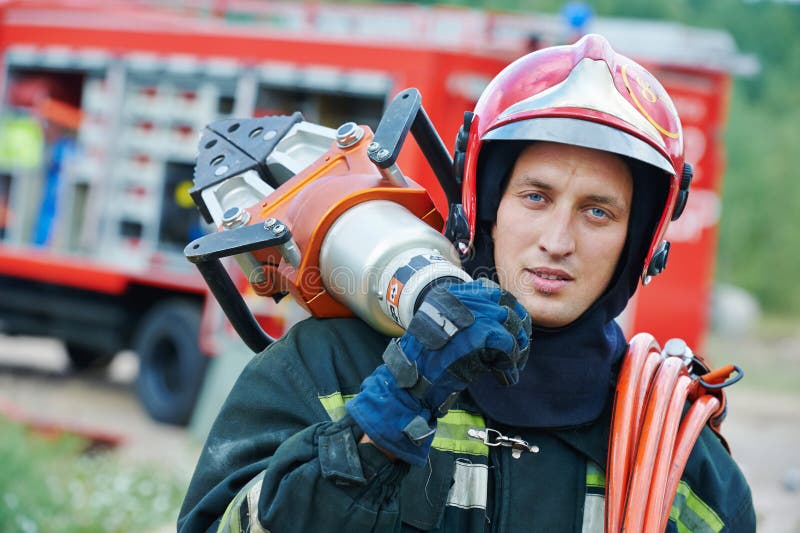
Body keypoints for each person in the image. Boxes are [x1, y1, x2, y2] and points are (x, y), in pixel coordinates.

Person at [178, 34, 754, 532]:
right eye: (535, 196)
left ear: (640, 244)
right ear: (487, 210)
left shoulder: (674, 451)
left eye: (598, 211)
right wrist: (383, 419)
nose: (558, 239)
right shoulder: (327, 371)